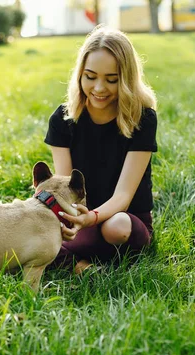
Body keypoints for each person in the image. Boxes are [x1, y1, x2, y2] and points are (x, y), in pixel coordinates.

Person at [44, 25, 158, 275]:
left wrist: (91, 218)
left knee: (114, 227)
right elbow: (66, 191)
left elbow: (123, 197)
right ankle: (82, 267)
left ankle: (69, 258)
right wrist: (75, 221)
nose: (98, 88)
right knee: (36, 232)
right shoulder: (62, 120)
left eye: (111, 79)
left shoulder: (142, 119)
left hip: (125, 219)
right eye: (90, 76)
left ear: (126, 79)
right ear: (80, 75)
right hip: (80, 220)